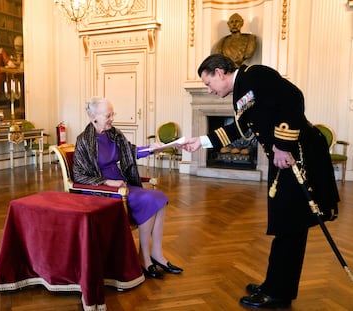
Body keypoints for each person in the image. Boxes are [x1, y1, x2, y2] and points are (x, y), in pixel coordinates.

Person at [182, 54, 339, 309]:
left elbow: (293, 98)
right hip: (285, 160)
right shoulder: (242, 90)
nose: (209, 91)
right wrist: (201, 141)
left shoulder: (256, 74)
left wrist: (282, 144)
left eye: (208, 83)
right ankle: (275, 285)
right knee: (286, 223)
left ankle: (278, 293)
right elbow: (239, 129)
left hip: (297, 157)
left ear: (220, 72)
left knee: (289, 224)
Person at [73, 96, 183, 279]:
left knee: (160, 199)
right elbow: (79, 175)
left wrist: (151, 149)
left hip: (120, 185)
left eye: (112, 114)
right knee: (149, 199)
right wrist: (107, 182)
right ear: (94, 118)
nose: (112, 118)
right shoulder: (84, 140)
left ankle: (157, 254)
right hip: (101, 190)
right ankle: (144, 258)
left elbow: (130, 152)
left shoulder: (113, 133)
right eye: (108, 115)